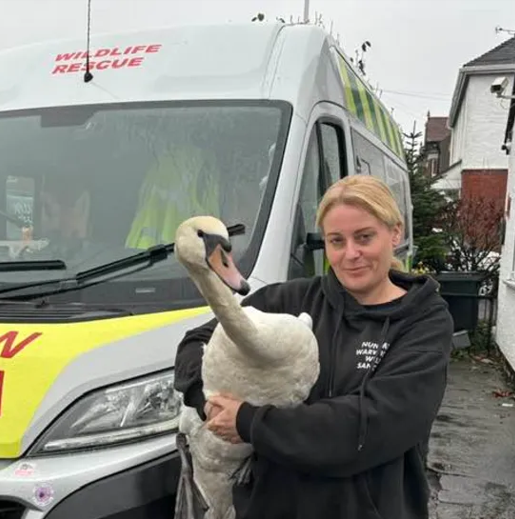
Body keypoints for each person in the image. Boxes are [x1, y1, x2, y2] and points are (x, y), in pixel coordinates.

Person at [173, 174, 454, 519]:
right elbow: (196, 342)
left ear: (395, 233)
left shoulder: (422, 323)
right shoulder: (293, 299)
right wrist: (208, 402)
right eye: (337, 241)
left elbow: (373, 425)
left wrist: (250, 422)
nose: (350, 254)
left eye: (364, 237)